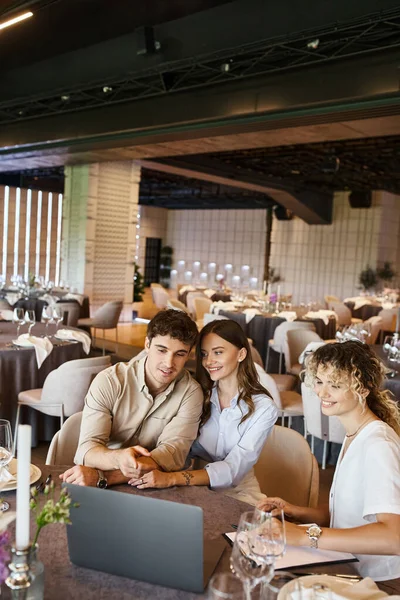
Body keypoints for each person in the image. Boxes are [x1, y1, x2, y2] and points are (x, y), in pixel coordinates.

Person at [258, 341, 400, 582]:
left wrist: (306, 536)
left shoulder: (378, 445)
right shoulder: (355, 433)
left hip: (379, 582)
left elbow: (394, 537)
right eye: (320, 381)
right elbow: (347, 514)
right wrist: (297, 512)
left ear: (363, 389)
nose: (322, 393)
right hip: (348, 566)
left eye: (335, 385)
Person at [129, 319, 278, 506]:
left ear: (241, 354)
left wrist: (173, 478)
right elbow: (179, 448)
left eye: (218, 352)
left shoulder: (264, 408)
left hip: (239, 494)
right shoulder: (198, 394)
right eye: (204, 354)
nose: (208, 362)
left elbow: (234, 469)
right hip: (190, 490)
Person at [60, 309, 203, 488]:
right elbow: (87, 451)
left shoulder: (191, 393)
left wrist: (105, 477)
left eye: (180, 354)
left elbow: (171, 455)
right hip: (101, 471)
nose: (168, 363)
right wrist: (119, 458)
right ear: (147, 345)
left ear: (189, 355)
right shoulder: (111, 381)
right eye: (162, 350)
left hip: (149, 483)